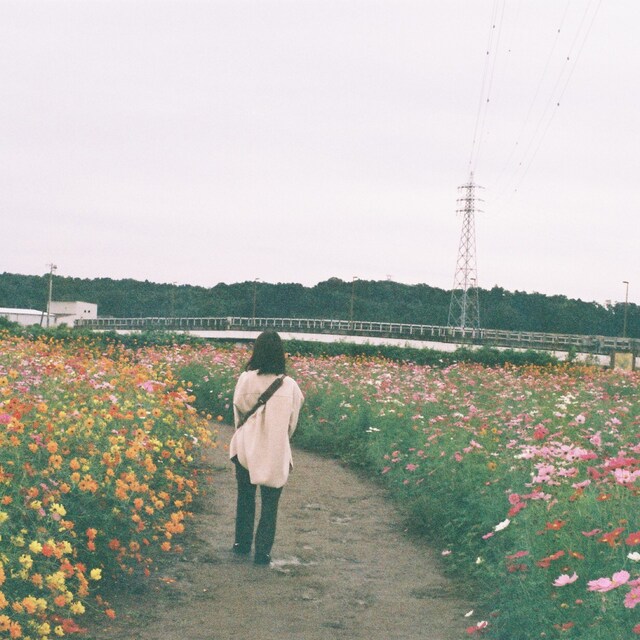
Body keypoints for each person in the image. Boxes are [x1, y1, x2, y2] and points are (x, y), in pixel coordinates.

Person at [229, 330, 304, 565]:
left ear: (257, 351)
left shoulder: (246, 379)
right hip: (275, 450)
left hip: (246, 448)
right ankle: (263, 552)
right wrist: (279, 436)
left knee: (245, 497)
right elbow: (292, 422)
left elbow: (238, 411)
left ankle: (242, 544)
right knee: (270, 504)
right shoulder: (290, 386)